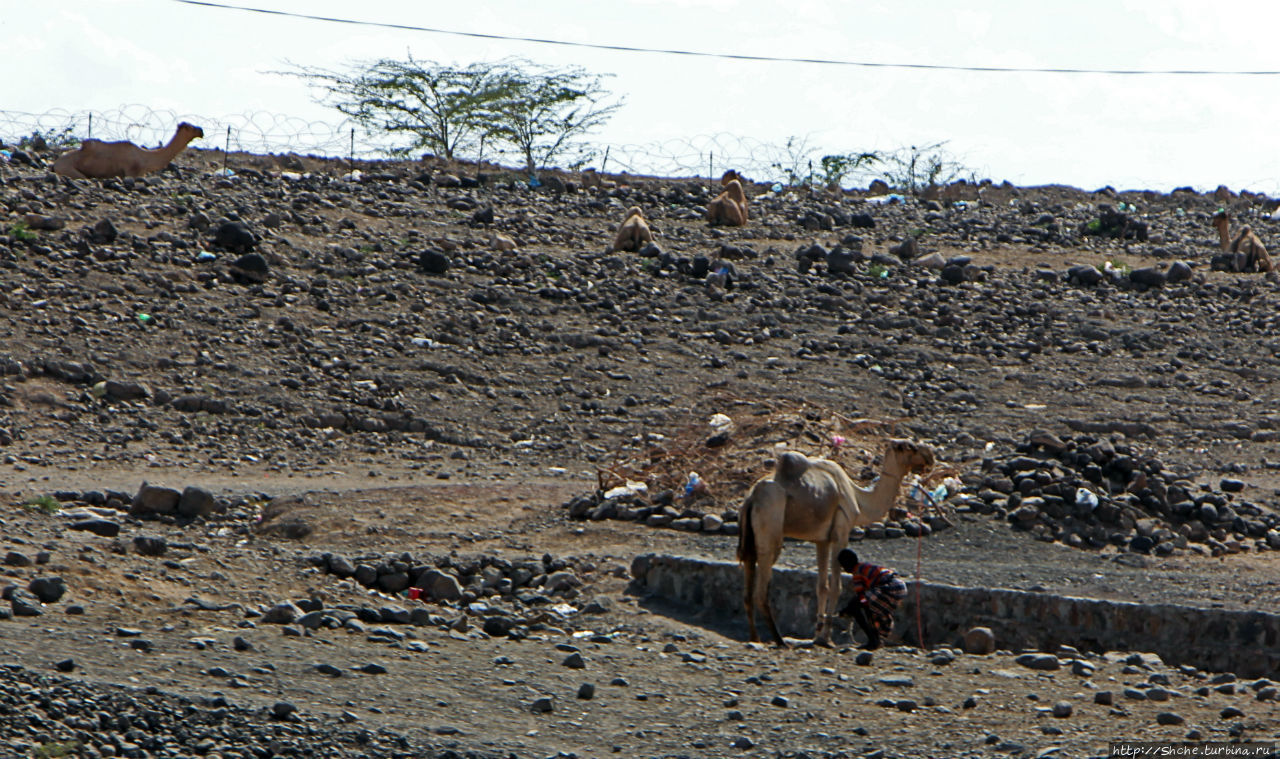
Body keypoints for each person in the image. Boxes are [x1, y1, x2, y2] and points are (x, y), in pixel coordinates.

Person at [837, 548, 906, 650]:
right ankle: (876, 639)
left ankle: (873, 640)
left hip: (890, 587)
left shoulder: (857, 572)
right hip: (900, 586)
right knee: (869, 608)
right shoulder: (865, 567)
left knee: (856, 606)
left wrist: (847, 610)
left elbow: (861, 598)